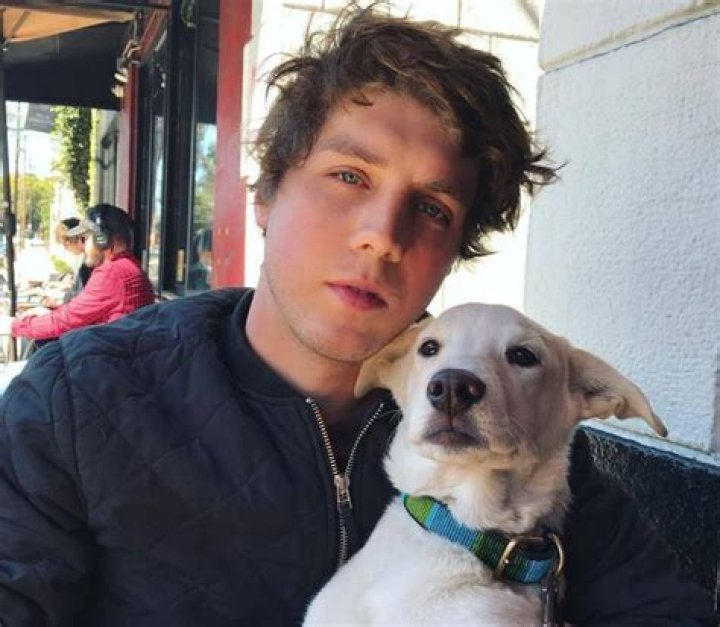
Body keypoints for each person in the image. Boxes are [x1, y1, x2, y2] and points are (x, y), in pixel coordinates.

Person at [0, 8, 713, 626]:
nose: (382, 235)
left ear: (453, 254)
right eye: (349, 176)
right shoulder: (76, 404)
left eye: (432, 208)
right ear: (265, 195)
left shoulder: (520, 433)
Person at [7, 203, 155, 341]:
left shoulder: (113, 273)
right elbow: (82, 314)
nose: (83, 246)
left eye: (86, 238)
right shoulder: (127, 268)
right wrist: (53, 311)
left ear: (102, 240)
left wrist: (14, 325)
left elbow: (66, 321)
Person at [41, 217, 94, 308]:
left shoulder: (91, 262)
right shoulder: (87, 259)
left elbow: (84, 295)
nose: (66, 249)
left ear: (76, 239)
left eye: (66, 244)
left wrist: (61, 297)